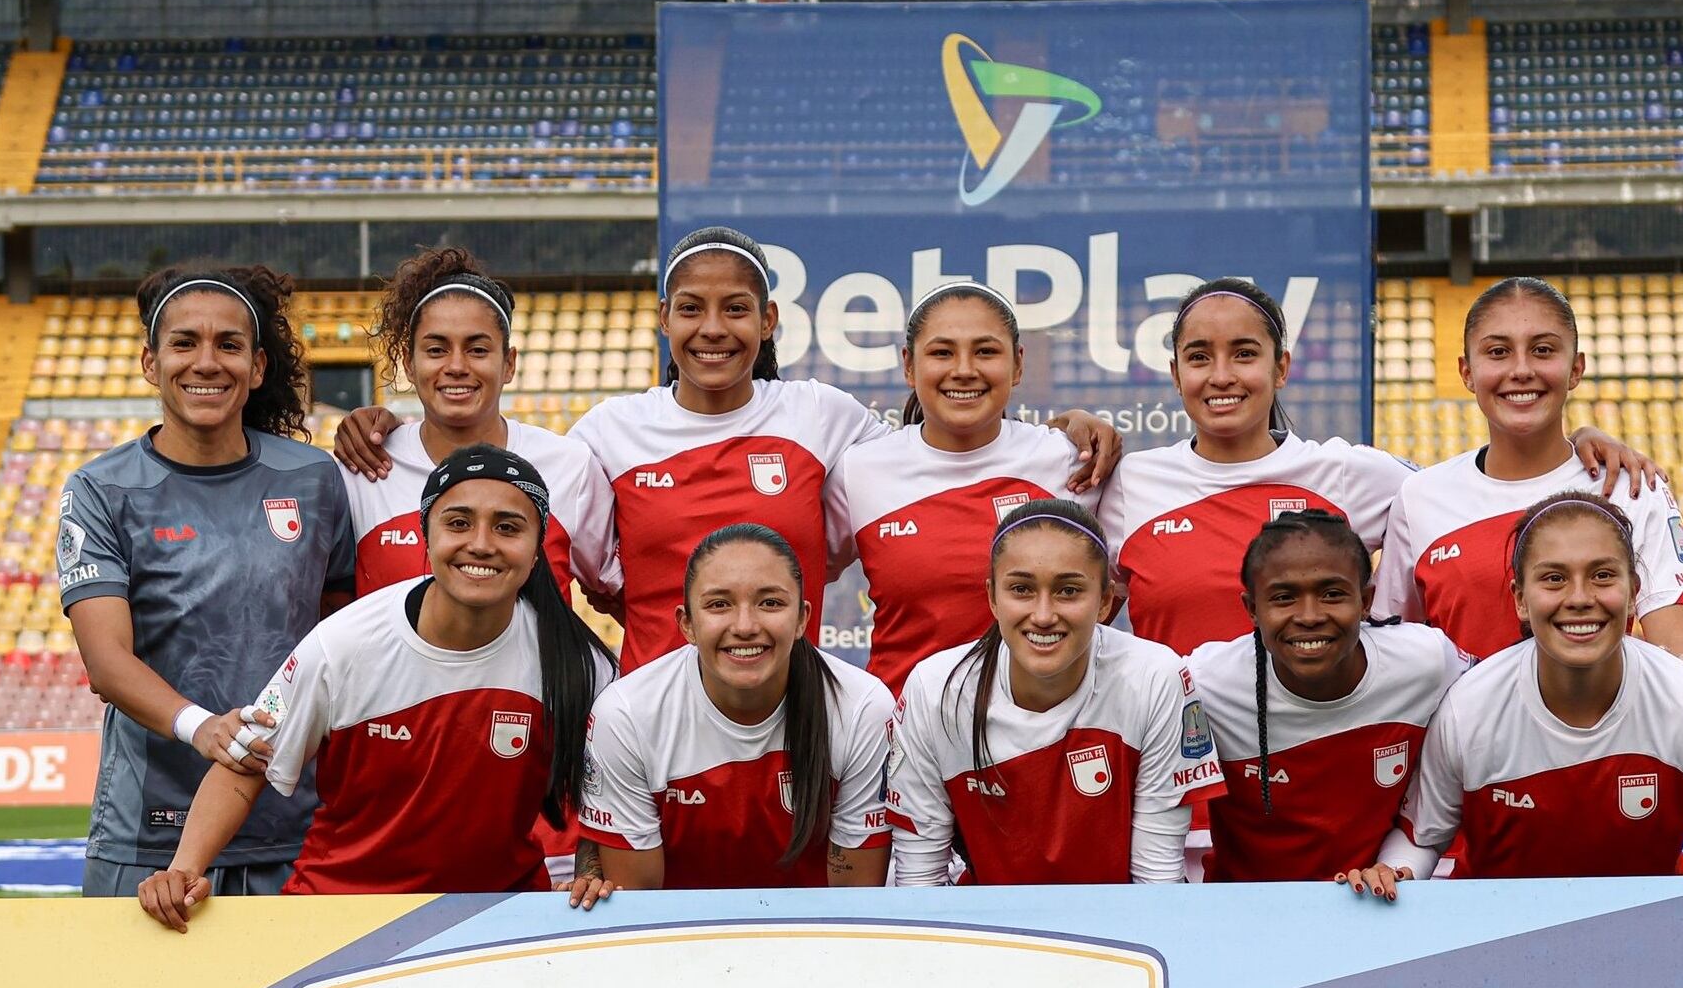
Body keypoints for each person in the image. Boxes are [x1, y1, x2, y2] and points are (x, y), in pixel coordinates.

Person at [339, 227, 1122, 672]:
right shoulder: (603, 437)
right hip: (651, 707)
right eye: (692, 310)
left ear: (770, 320)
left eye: (735, 309)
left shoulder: (823, 416)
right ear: (664, 320)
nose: (713, 329)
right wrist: (385, 424)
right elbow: (590, 576)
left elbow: (937, 451)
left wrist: (1065, 425)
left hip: (799, 707)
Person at [136, 445, 617, 930]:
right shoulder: (344, 643)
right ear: (425, 539)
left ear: (537, 552)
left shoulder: (579, 665)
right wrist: (184, 870)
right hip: (340, 917)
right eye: (458, 523)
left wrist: (591, 871)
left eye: (508, 528)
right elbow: (247, 763)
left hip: (492, 922)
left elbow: (610, 793)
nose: (482, 543)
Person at [1098, 277, 1657, 657]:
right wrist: (1071, 424)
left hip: (1314, 774)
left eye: (1245, 354)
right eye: (1199, 358)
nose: (1221, 376)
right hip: (1178, 780)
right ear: (1175, 375)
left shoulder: (1351, 473)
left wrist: (1575, 442)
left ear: (1282, 368)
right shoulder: (1129, 485)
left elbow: (1478, 490)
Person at [61, 263, 355, 899]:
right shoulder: (101, 490)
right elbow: (106, 661)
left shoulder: (314, 479)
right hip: (148, 831)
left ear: (256, 368)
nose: (206, 362)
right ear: (150, 362)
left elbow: (341, 633)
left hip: (294, 828)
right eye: (184, 343)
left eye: (228, 345)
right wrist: (201, 726)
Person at [1396, 492, 1683, 899]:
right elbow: (1421, 838)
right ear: (1521, 601)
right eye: (1554, 579)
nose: (1580, 598)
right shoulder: (1468, 709)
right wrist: (1394, 876)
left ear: (1634, 593)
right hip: (1500, 937)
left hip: (1646, 930)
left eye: (1603, 575)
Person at [1374, 276, 1683, 664]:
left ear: (1575, 369)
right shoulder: (1420, 498)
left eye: (1543, 350)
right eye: (1498, 352)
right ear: (1467, 373)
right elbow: (1393, 655)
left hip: (1604, 727)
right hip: (1464, 727)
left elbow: (1681, 661)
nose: (1521, 370)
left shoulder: (1629, 486)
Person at [888, 500, 1224, 885]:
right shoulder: (935, 689)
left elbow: (1157, 880)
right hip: (983, 933)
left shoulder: (1154, 677)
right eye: (1021, 589)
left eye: (1068, 591)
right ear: (992, 598)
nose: (1044, 615)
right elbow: (919, 884)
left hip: (1121, 933)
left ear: (1104, 602)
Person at [567, 524, 893, 899]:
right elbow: (639, 906)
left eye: (770, 602)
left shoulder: (862, 708)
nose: (745, 626)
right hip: (677, 939)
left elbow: (852, 901)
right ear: (686, 624)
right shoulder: (627, 714)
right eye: (719, 604)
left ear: (803, 618)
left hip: (812, 937)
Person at [827, 280, 1091, 694]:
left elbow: (1112, 590)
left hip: (1043, 736)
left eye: (985, 351)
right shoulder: (860, 469)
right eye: (942, 352)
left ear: (1018, 364)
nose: (964, 370)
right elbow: (799, 576)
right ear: (909, 366)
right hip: (904, 740)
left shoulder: (1071, 460)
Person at [1187, 510, 1468, 896]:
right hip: (1242, 914)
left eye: (1332, 594)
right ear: (1251, 609)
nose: (1309, 616)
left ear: (1366, 600)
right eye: (1284, 598)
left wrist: (1394, 871)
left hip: (1376, 906)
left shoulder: (1428, 662)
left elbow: (1430, 817)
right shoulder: (1204, 683)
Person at [332, 246, 617, 599]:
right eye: (436, 349)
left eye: (477, 349)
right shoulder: (364, 468)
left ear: (509, 363)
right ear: (408, 363)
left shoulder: (570, 466)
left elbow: (615, 593)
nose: (456, 366)